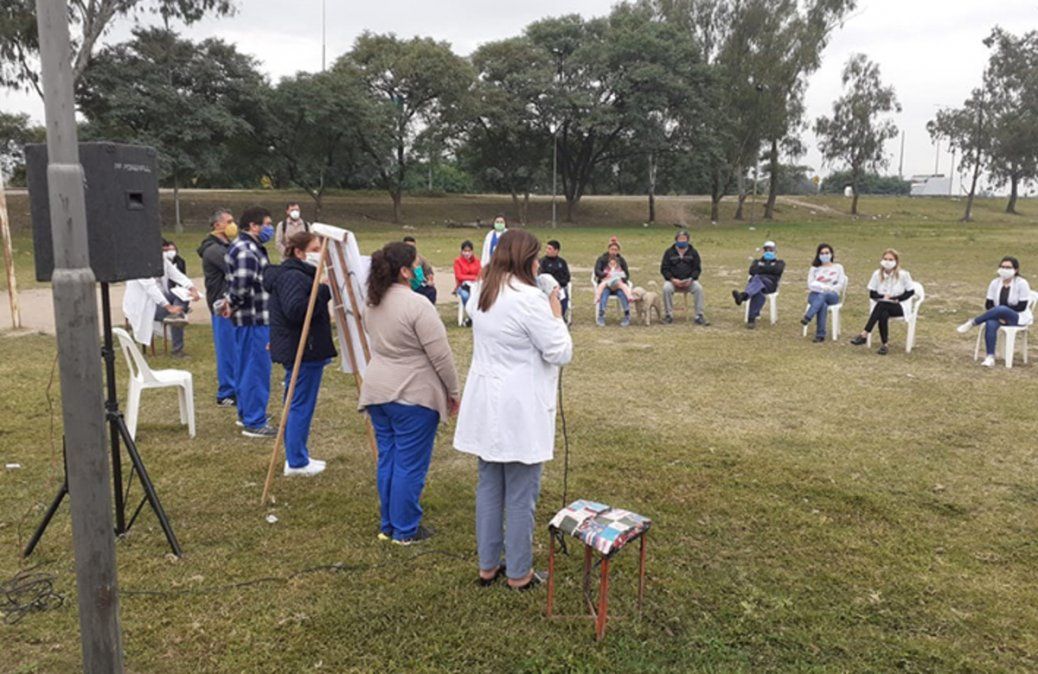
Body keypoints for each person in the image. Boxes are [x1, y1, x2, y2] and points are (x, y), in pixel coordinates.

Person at [453, 229, 572, 590]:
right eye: (535, 259)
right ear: (525, 260)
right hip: (519, 404)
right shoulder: (528, 300)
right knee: (520, 492)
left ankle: (488, 565)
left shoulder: (483, 290)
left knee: (489, 486)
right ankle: (519, 573)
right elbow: (560, 351)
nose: (539, 265)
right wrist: (554, 304)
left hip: (489, 400)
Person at [359, 242, 461, 545]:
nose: (420, 271)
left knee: (389, 458)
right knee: (408, 464)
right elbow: (441, 355)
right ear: (404, 271)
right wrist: (453, 391)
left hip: (378, 390)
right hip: (412, 393)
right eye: (415, 266)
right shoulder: (417, 305)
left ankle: (389, 524)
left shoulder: (373, 301)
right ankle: (405, 528)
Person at [263, 231, 336, 475]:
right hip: (303, 349)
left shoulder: (299, 274)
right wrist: (323, 290)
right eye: (315, 249)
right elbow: (296, 310)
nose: (319, 254)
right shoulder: (293, 276)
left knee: (296, 402)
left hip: (304, 348)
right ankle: (296, 461)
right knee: (300, 405)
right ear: (299, 252)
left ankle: (297, 455)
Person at [222, 206, 276, 437]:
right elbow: (242, 285)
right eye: (267, 224)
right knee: (255, 369)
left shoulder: (246, 246)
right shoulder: (247, 249)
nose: (270, 229)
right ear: (254, 226)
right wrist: (232, 303)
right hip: (254, 318)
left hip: (250, 319)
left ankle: (247, 413)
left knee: (246, 367)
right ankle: (255, 421)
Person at [123, 243, 200, 357]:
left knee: (183, 296)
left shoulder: (161, 259)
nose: (166, 252)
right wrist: (168, 307)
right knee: (177, 312)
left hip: (162, 300)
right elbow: (151, 288)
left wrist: (192, 289)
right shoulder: (139, 264)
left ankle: (175, 316)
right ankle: (177, 348)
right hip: (144, 305)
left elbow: (176, 275)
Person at [957, 256, 1034, 367]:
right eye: (1002, 267)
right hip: (998, 316)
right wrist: (999, 315)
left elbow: (1021, 306)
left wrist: (1003, 312)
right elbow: (988, 304)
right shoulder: (995, 283)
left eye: (1008, 267)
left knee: (1001, 308)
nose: (1004, 269)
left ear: (1016, 270)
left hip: (1017, 317)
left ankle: (974, 322)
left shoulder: (1022, 283)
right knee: (990, 323)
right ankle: (990, 357)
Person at [197, 208, 239, 405]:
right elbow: (236, 267)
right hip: (222, 307)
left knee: (235, 349)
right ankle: (226, 393)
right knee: (227, 350)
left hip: (232, 305)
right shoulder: (214, 250)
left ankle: (236, 386)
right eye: (228, 221)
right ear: (217, 225)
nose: (233, 225)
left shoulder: (226, 245)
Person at [850, 249, 915, 355]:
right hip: (883, 305)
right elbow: (872, 294)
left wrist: (896, 298)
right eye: (885, 259)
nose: (887, 262)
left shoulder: (903, 275)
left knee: (881, 305)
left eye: (890, 259)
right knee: (883, 312)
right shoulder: (877, 274)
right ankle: (884, 344)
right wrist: (883, 297)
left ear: (896, 261)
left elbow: (910, 291)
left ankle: (864, 334)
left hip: (899, 306)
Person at [731, 240, 784, 329]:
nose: (768, 251)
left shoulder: (780, 263)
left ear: (775, 251)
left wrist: (762, 268)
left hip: (770, 285)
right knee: (758, 290)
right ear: (763, 250)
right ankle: (751, 319)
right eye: (766, 249)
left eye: (771, 249)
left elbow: (777, 271)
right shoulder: (756, 261)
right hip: (757, 285)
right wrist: (768, 268)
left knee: (757, 278)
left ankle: (743, 296)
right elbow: (752, 271)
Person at [660, 230, 709, 326]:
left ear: (688, 240)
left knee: (698, 288)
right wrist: (672, 279)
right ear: (676, 240)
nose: (682, 241)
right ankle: (668, 315)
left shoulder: (693, 252)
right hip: (673, 281)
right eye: (680, 239)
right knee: (666, 288)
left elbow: (697, 269)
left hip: (689, 281)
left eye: (684, 239)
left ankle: (699, 316)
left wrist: (691, 279)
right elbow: (664, 269)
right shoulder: (669, 252)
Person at [801, 243, 847, 343]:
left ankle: (808, 316)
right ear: (818, 255)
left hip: (832, 295)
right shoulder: (814, 269)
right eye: (822, 253)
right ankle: (820, 335)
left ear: (831, 254)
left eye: (827, 253)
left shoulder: (838, 267)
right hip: (815, 294)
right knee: (822, 304)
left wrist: (828, 289)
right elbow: (810, 284)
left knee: (824, 295)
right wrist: (822, 287)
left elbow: (840, 284)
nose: (824, 255)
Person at [593, 237, 633, 327]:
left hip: (618, 285)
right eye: (612, 249)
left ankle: (627, 315)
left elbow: (626, 274)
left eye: (615, 250)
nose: (613, 251)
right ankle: (601, 315)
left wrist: (621, 278)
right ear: (608, 249)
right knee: (604, 293)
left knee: (622, 293)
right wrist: (605, 275)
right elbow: (597, 271)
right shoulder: (602, 259)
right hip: (606, 284)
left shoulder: (621, 260)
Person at [540, 240, 571, 318]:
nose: (547, 250)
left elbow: (567, 277)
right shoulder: (542, 262)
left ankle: (561, 316)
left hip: (560, 287)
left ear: (556, 251)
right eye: (547, 248)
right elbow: (541, 277)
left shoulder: (562, 262)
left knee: (563, 296)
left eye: (549, 249)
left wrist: (560, 284)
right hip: (547, 288)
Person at [453, 240, 481, 326]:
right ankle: (471, 315)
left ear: (472, 251)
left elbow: (480, 274)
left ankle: (476, 316)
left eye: (469, 251)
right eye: (465, 251)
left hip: (475, 286)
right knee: (465, 295)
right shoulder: (458, 261)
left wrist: (474, 278)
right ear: (461, 251)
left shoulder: (477, 261)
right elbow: (459, 276)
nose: (467, 253)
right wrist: (473, 278)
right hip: (462, 286)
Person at [403, 236, 437, 304]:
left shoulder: (420, 258)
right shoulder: (399, 258)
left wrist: (430, 280)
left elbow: (428, 271)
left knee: (431, 291)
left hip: (419, 285)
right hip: (405, 285)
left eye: (412, 247)